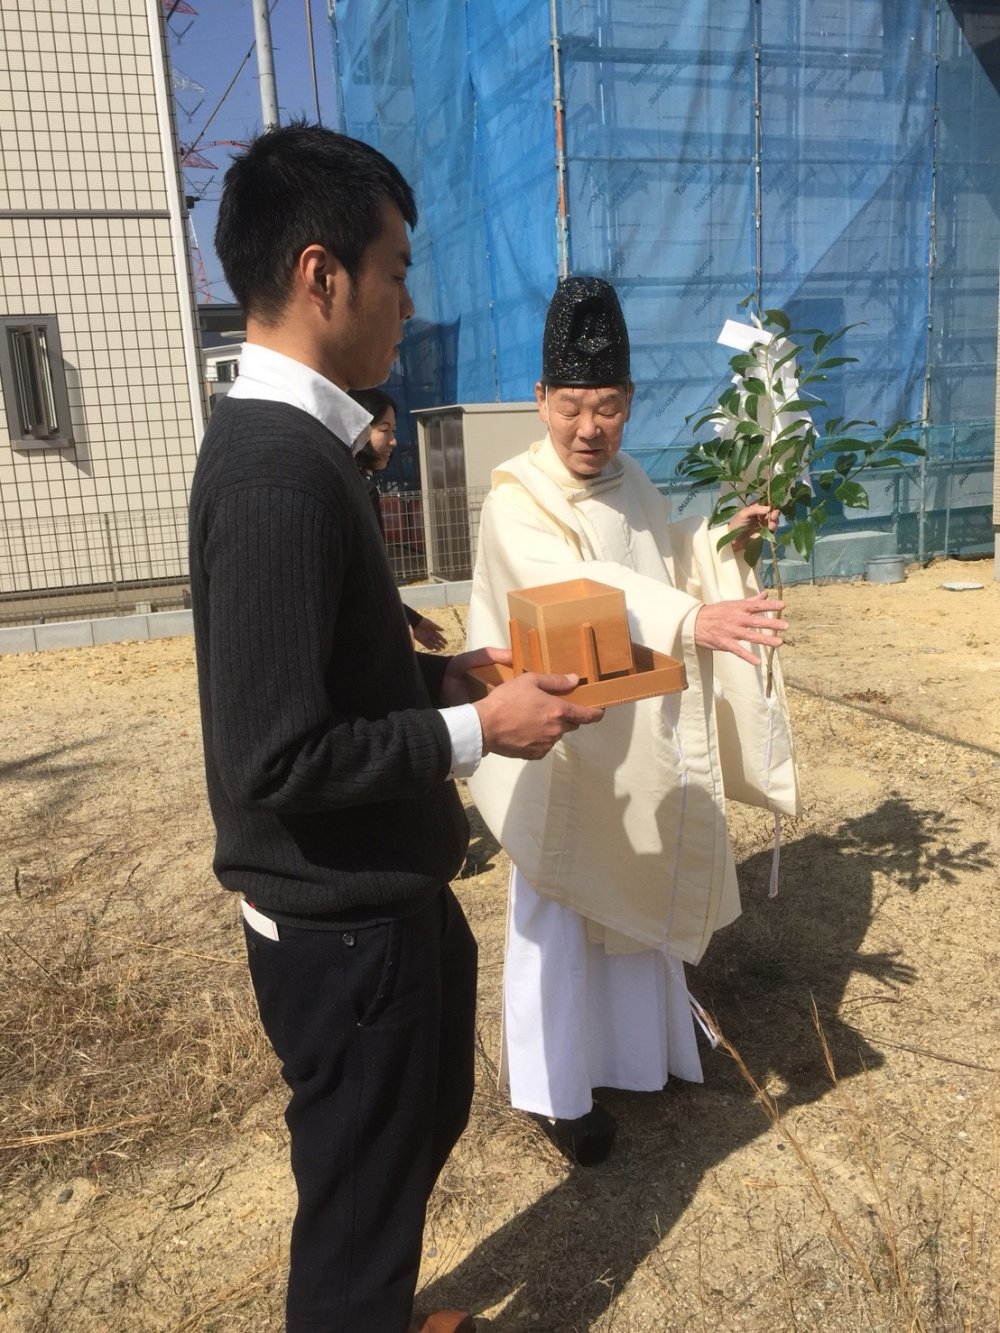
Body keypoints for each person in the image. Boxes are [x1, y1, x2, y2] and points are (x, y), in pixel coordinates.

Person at [187, 125, 604, 1333]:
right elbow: (276, 756)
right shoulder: (275, 475)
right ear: (324, 277)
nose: (408, 302)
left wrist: (442, 676)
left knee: (398, 1143)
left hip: (377, 902)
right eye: (397, 270)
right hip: (341, 929)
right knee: (359, 1191)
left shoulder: (307, 451)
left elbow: (330, 672)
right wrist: (481, 731)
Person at [466, 276, 801, 1166]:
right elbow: (579, 589)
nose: (589, 427)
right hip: (557, 749)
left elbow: (658, 550)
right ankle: (557, 1093)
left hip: (630, 731)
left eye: (608, 407)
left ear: (629, 405)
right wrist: (691, 620)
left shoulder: (632, 481)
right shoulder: (517, 503)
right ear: (540, 402)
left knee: (633, 895)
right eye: (573, 406)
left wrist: (721, 537)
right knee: (560, 915)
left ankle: (641, 1058)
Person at [349, 386, 447, 650]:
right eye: (384, 430)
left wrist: (411, 618)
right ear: (356, 428)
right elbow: (370, 575)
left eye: (393, 430)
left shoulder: (347, 480)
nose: (393, 440)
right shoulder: (359, 489)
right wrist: (399, 621)